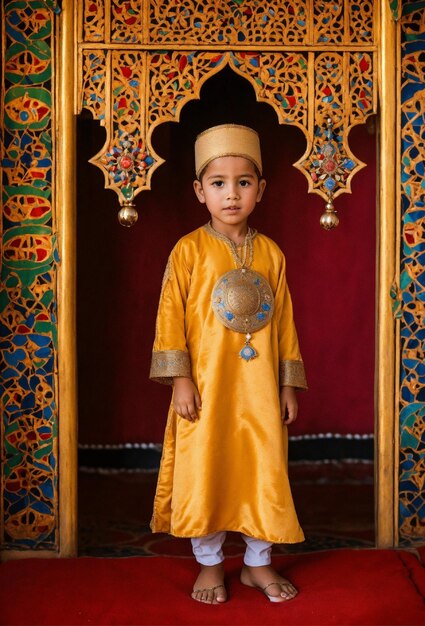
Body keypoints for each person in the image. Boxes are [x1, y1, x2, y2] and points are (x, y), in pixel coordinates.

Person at [149, 124, 307, 605]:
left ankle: (257, 565)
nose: (231, 193)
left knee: (263, 468)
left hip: (258, 389)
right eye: (218, 182)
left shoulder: (272, 254)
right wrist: (180, 380)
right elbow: (169, 318)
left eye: (243, 182)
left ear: (261, 189)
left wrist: (287, 385)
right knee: (208, 467)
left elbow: (285, 326)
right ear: (200, 191)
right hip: (206, 388)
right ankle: (211, 564)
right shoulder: (189, 251)